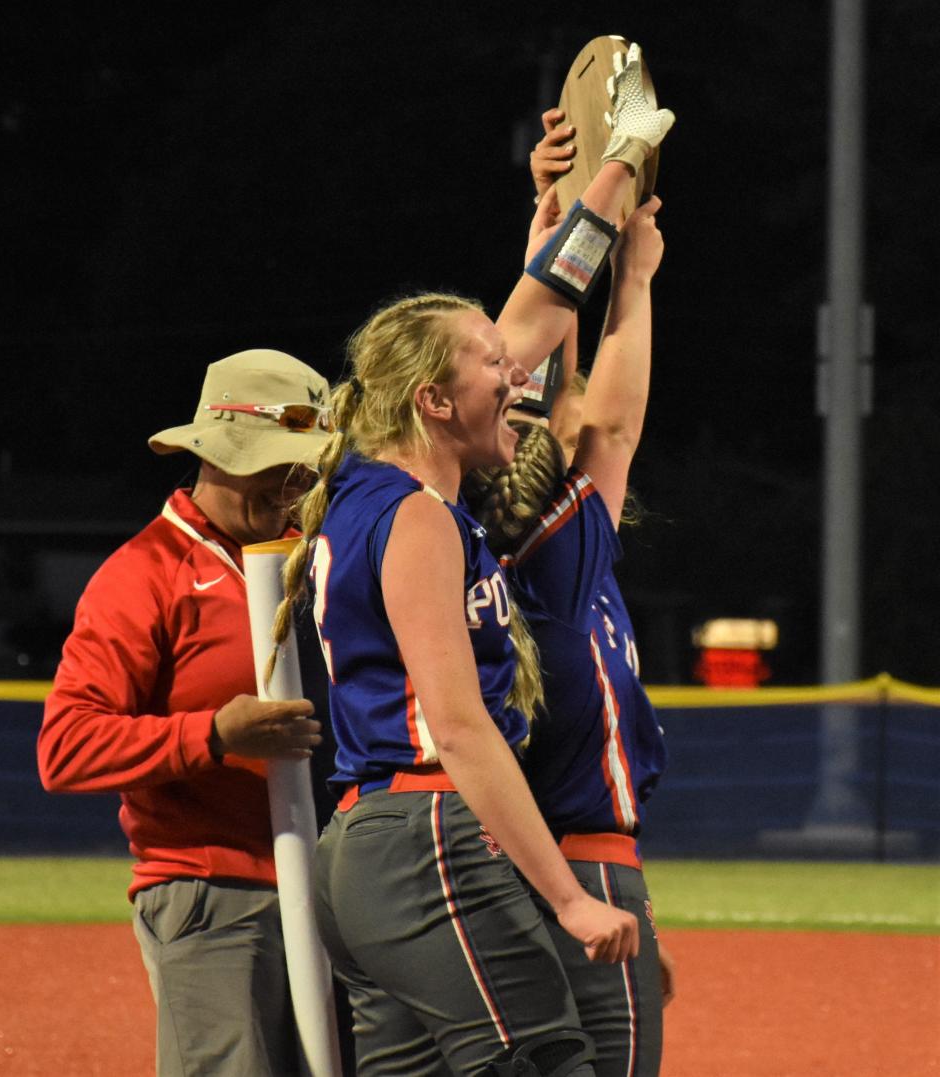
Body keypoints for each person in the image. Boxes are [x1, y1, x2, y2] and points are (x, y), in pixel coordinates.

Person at [266, 48, 674, 1077]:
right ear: (434, 404)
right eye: (492, 370)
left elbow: (537, 315)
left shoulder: (386, 487)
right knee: (546, 1062)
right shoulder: (413, 514)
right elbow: (455, 726)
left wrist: (593, 193)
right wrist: (572, 897)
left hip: (378, 844)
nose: (516, 373)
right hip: (427, 834)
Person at [37, 349, 331, 1077]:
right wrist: (212, 734)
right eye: (283, 463)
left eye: (309, 465)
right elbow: (65, 746)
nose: (302, 481)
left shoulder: (312, 556)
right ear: (222, 455)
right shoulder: (144, 572)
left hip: (332, 889)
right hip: (213, 895)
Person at [461, 190, 674, 1074]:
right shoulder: (559, 559)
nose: (570, 395)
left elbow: (552, 387)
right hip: (577, 869)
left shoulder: (500, 553)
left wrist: (553, 241)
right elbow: (606, 418)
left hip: (523, 870)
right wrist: (633, 275)